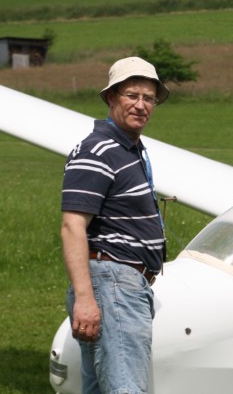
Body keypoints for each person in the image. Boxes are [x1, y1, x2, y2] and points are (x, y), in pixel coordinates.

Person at [60, 56, 169, 394]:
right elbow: (72, 226)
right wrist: (85, 299)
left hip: (120, 285)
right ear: (111, 97)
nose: (141, 105)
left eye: (148, 98)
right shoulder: (98, 151)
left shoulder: (129, 150)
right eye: (131, 96)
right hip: (114, 286)